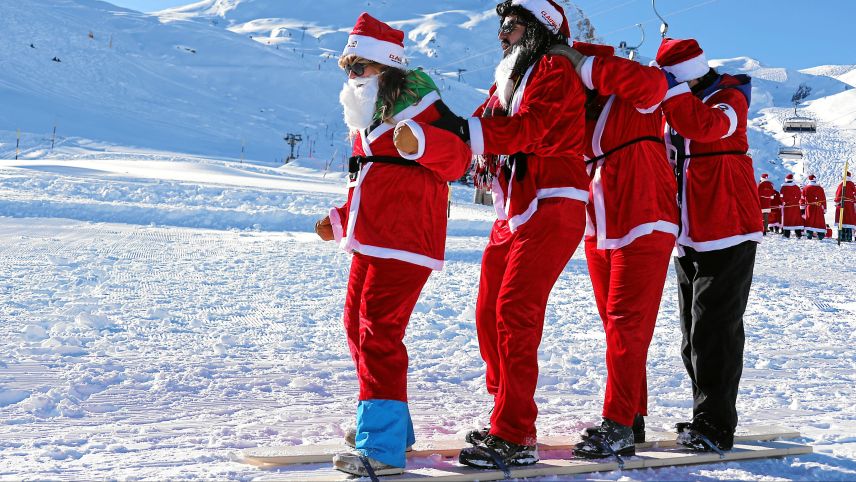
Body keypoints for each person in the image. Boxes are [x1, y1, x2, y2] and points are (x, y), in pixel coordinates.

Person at [314, 13, 471, 477]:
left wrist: (419, 141)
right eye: (347, 67)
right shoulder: (370, 117)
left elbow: (459, 158)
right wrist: (339, 219)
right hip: (370, 237)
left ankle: (381, 449)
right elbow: (367, 182)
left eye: (358, 67)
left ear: (383, 66)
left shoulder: (418, 103)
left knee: (378, 331)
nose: (351, 76)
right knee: (355, 325)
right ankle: (389, 425)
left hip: (406, 238)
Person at [445, 0, 589, 469]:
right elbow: (476, 121)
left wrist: (472, 132)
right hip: (516, 207)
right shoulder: (509, 78)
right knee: (489, 310)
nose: (502, 34)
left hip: (555, 198)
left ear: (538, 29)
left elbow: (533, 128)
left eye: (511, 26)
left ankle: (516, 432)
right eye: (501, 27)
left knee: (515, 309)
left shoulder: (552, 68)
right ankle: (503, 408)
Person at [551, 41, 677, 458]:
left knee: (626, 324)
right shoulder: (581, 110)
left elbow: (653, 84)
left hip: (643, 218)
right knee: (616, 326)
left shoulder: (634, 95)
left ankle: (618, 425)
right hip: (602, 226)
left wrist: (582, 63)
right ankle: (632, 416)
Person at [656, 37, 762, 452]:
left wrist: (671, 92)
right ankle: (706, 412)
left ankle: (716, 424)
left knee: (714, 328)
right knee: (693, 332)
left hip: (728, 225)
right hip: (690, 232)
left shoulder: (728, 96)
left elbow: (707, 127)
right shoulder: (683, 99)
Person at [801, 174, 827, 240]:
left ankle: (809, 234)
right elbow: (824, 199)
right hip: (819, 207)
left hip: (809, 207)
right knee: (819, 220)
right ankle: (821, 235)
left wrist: (802, 207)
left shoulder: (806, 188)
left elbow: (802, 199)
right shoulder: (820, 188)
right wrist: (824, 208)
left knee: (810, 220)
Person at [780, 174, 804, 238]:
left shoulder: (783, 187)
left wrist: (784, 202)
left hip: (787, 206)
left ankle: (786, 234)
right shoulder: (796, 187)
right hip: (795, 205)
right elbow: (799, 196)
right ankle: (798, 234)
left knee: (788, 220)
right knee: (796, 220)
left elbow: (781, 196)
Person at [835, 171, 855, 242]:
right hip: (850, 206)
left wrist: (837, 201)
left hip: (842, 204)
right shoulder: (852, 185)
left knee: (842, 221)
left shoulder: (842, 184)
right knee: (849, 222)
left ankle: (842, 237)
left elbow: (838, 194)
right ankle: (849, 237)